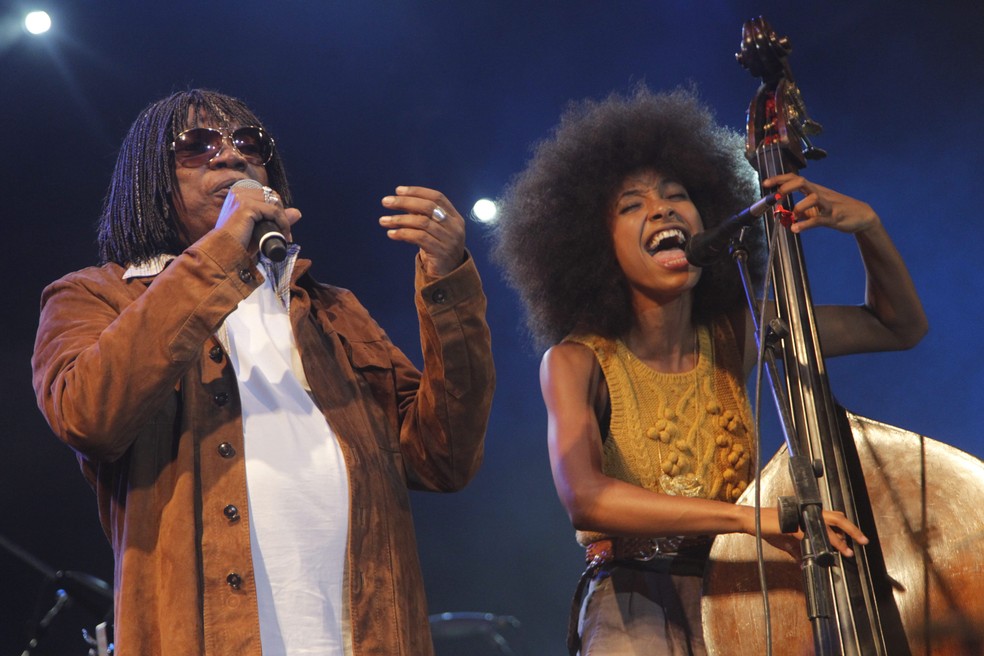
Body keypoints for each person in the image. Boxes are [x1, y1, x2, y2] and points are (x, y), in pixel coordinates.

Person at [31, 89, 495, 655]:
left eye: (249, 143)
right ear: (150, 181)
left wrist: (448, 283)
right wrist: (224, 249)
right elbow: (89, 416)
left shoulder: (331, 311)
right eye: (197, 145)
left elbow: (443, 457)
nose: (230, 156)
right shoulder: (96, 297)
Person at [493, 86, 927, 655]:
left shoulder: (740, 331)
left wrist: (868, 227)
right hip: (634, 604)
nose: (662, 209)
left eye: (677, 195)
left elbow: (897, 326)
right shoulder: (576, 360)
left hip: (748, 596)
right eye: (632, 205)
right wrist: (753, 520)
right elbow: (587, 498)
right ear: (595, 246)